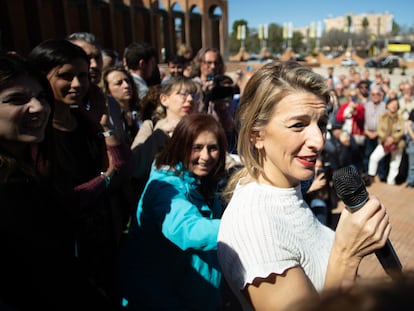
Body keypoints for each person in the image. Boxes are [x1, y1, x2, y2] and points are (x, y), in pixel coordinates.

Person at [217, 61, 391, 311]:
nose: (319, 141)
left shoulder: (289, 190)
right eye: (298, 125)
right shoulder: (254, 224)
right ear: (257, 135)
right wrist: (346, 255)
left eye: (321, 123)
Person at [0, 51, 110, 310]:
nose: (38, 108)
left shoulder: (29, 169)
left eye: (41, 97)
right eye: (16, 99)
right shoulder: (7, 189)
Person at [28, 39, 132, 307]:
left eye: (82, 75)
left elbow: (122, 169)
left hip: (102, 237)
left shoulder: (84, 122)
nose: (77, 84)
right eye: (65, 76)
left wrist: (103, 125)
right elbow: (61, 199)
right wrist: (104, 178)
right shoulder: (36, 133)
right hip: (65, 250)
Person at [119, 113, 228, 310]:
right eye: (197, 147)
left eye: (213, 148)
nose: (205, 156)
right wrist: (245, 226)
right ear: (180, 146)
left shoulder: (206, 182)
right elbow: (187, 229)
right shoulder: (164, 184)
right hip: (163, 301)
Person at [130, 76, 201, 202]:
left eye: (193, 95)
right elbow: (135, 164)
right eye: (182, 94)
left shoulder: (202, 130)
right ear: (164, 99)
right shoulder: (151, 127)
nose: (190, 100)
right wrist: (160, 135)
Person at [367, 98, 406, 185]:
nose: (394, 106)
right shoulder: (382, 117)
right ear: (387, 105)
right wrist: (385, 138)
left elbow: (402, 130)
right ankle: (371, 178)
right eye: (392, 104)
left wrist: (393, 138)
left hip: (397, 144)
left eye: (396, 105)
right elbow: (379, 129)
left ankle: (390, 182)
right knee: (373, 158)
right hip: (384, 143)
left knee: (394, 164)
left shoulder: (400, 118)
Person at [102, 65, 140, 144]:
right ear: (108, 90)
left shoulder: (140, 111)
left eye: (127, 81)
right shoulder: (107, 117)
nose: (126, 86)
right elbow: (105, 137)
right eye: (118, 83)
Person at [406, 107, 414, 187]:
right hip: (412, 142)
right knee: (412, 165)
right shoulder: (413, 111)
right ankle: (410, 182)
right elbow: (408, 125)